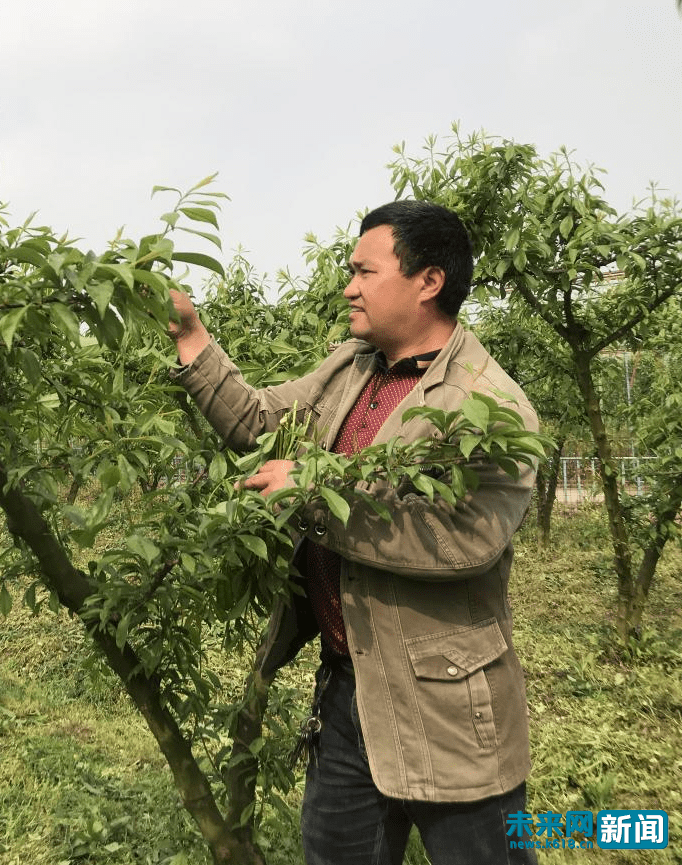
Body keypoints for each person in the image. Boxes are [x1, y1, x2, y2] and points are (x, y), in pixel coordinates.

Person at [168, 200, 539, 865]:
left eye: (364, 271)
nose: (348, 286)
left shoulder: (488, 402)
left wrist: (313, 494)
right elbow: (261, 423)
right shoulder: (352, 365)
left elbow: (462, 536)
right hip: (348, 690)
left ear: (427, 281)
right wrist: (191, 336)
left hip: (448, 705)